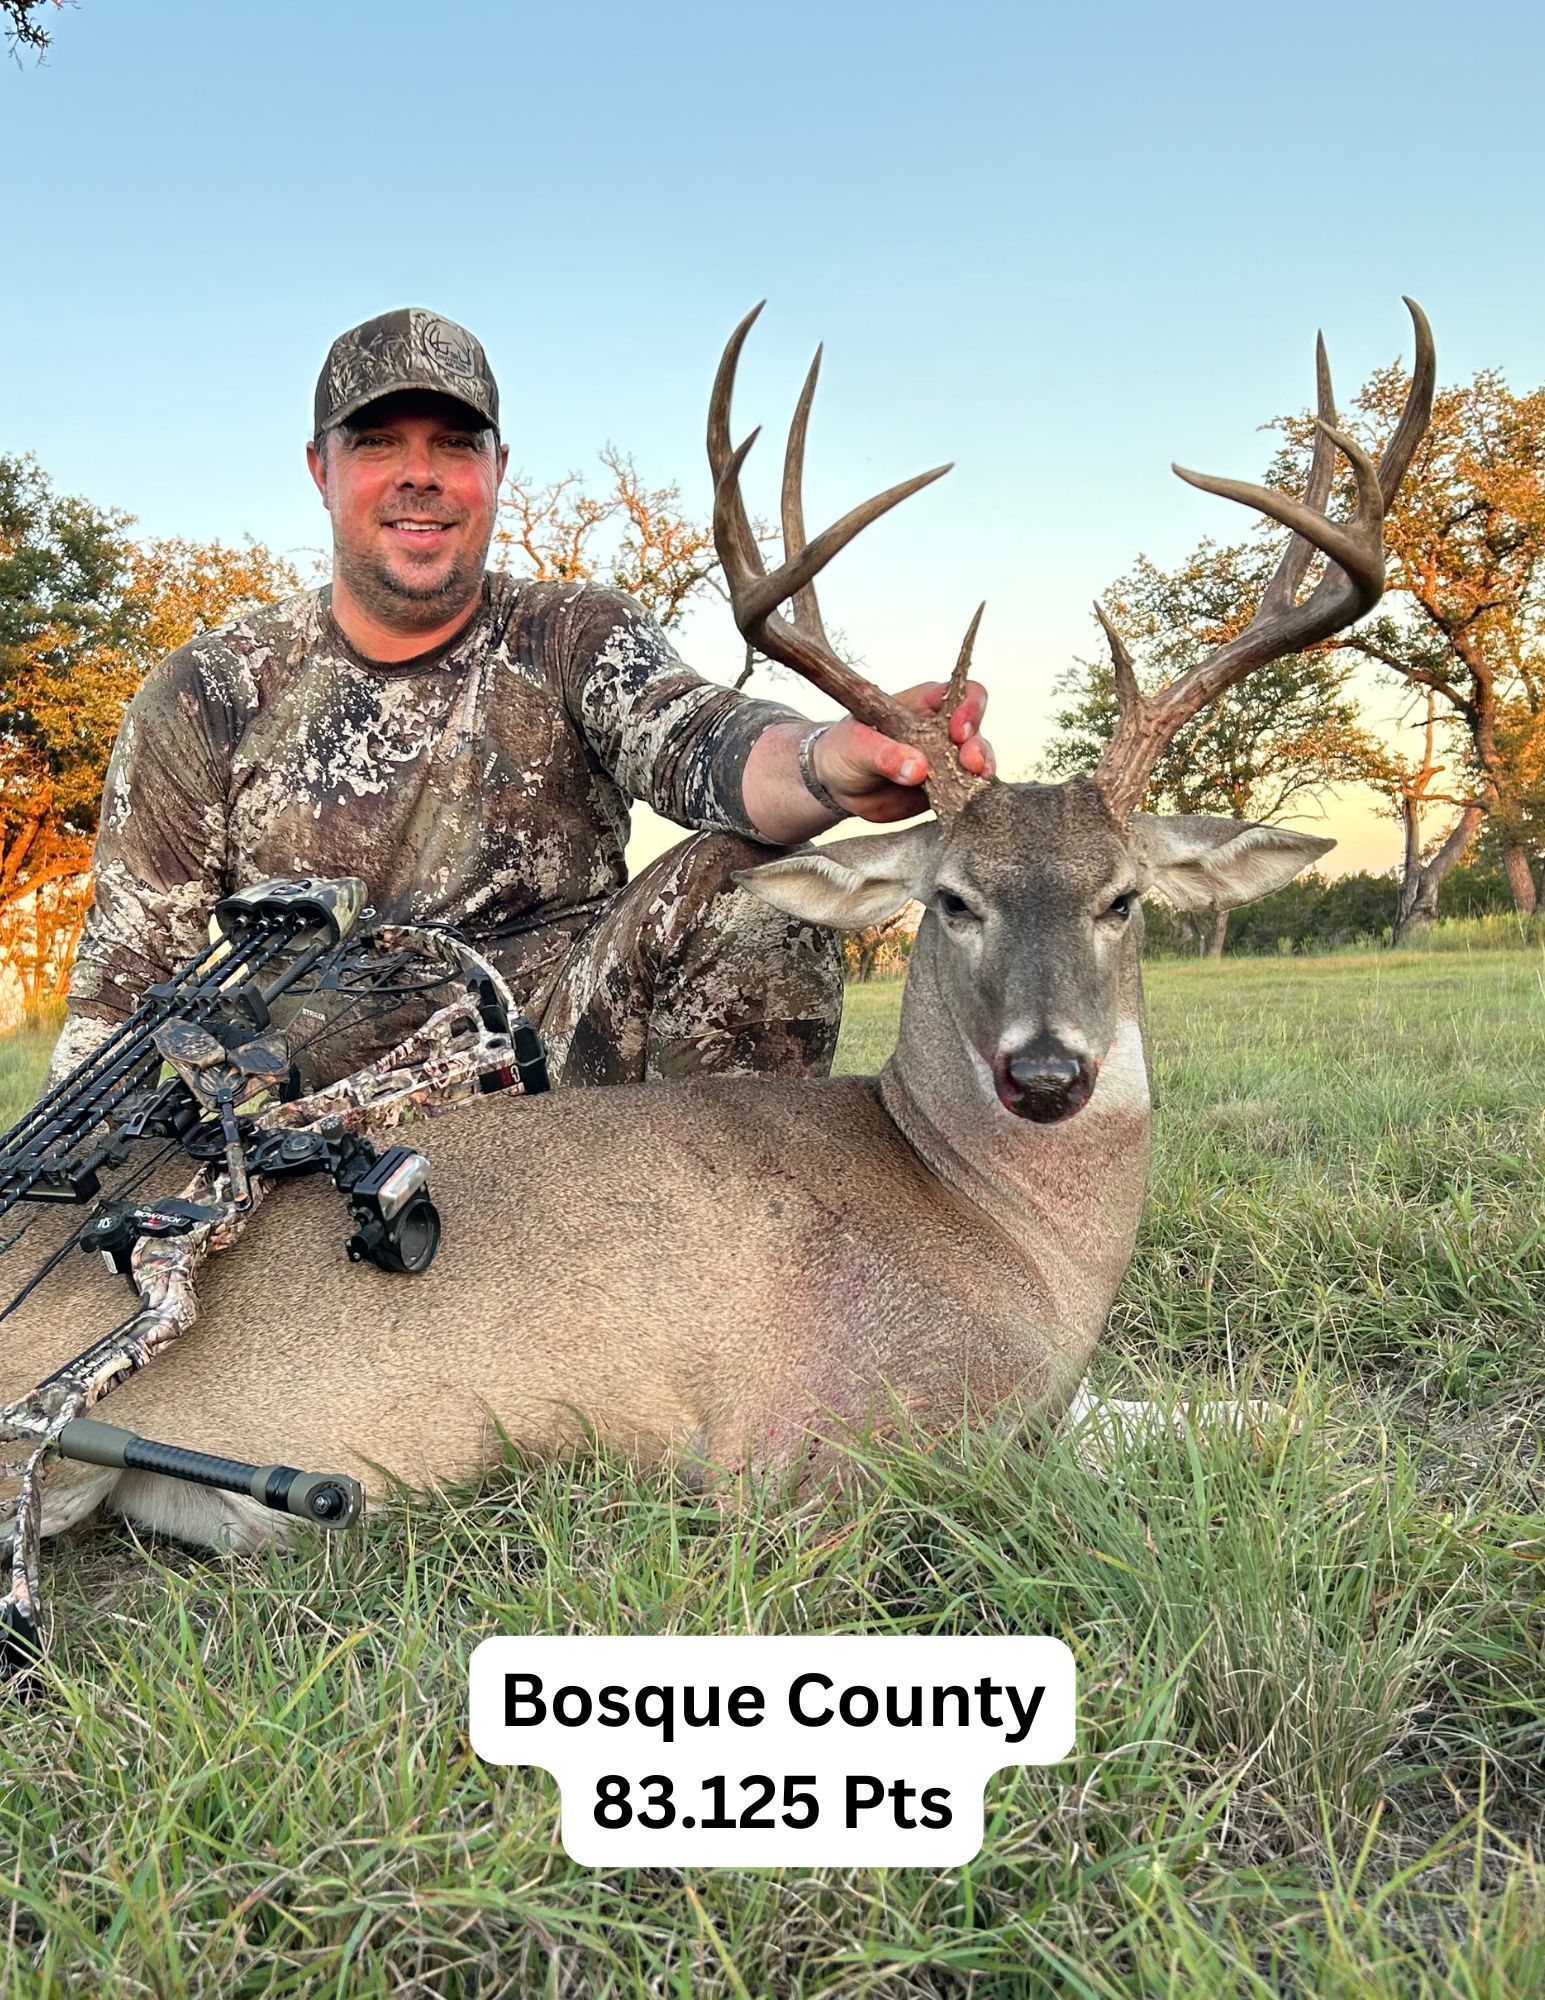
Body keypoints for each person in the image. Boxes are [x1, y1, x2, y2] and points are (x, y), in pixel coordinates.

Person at [44, 308, 994, 1093]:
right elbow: (121, 987)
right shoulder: (209, 690)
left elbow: (698, 738)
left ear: (495, 472)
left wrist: (835, 761)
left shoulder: (569, 634)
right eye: (377, 442)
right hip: (303, 1113)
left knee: (744, 886)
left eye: (454, 445)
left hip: (550, 1077)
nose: (420, 474)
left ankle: (722, 1254)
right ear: (319, 470)